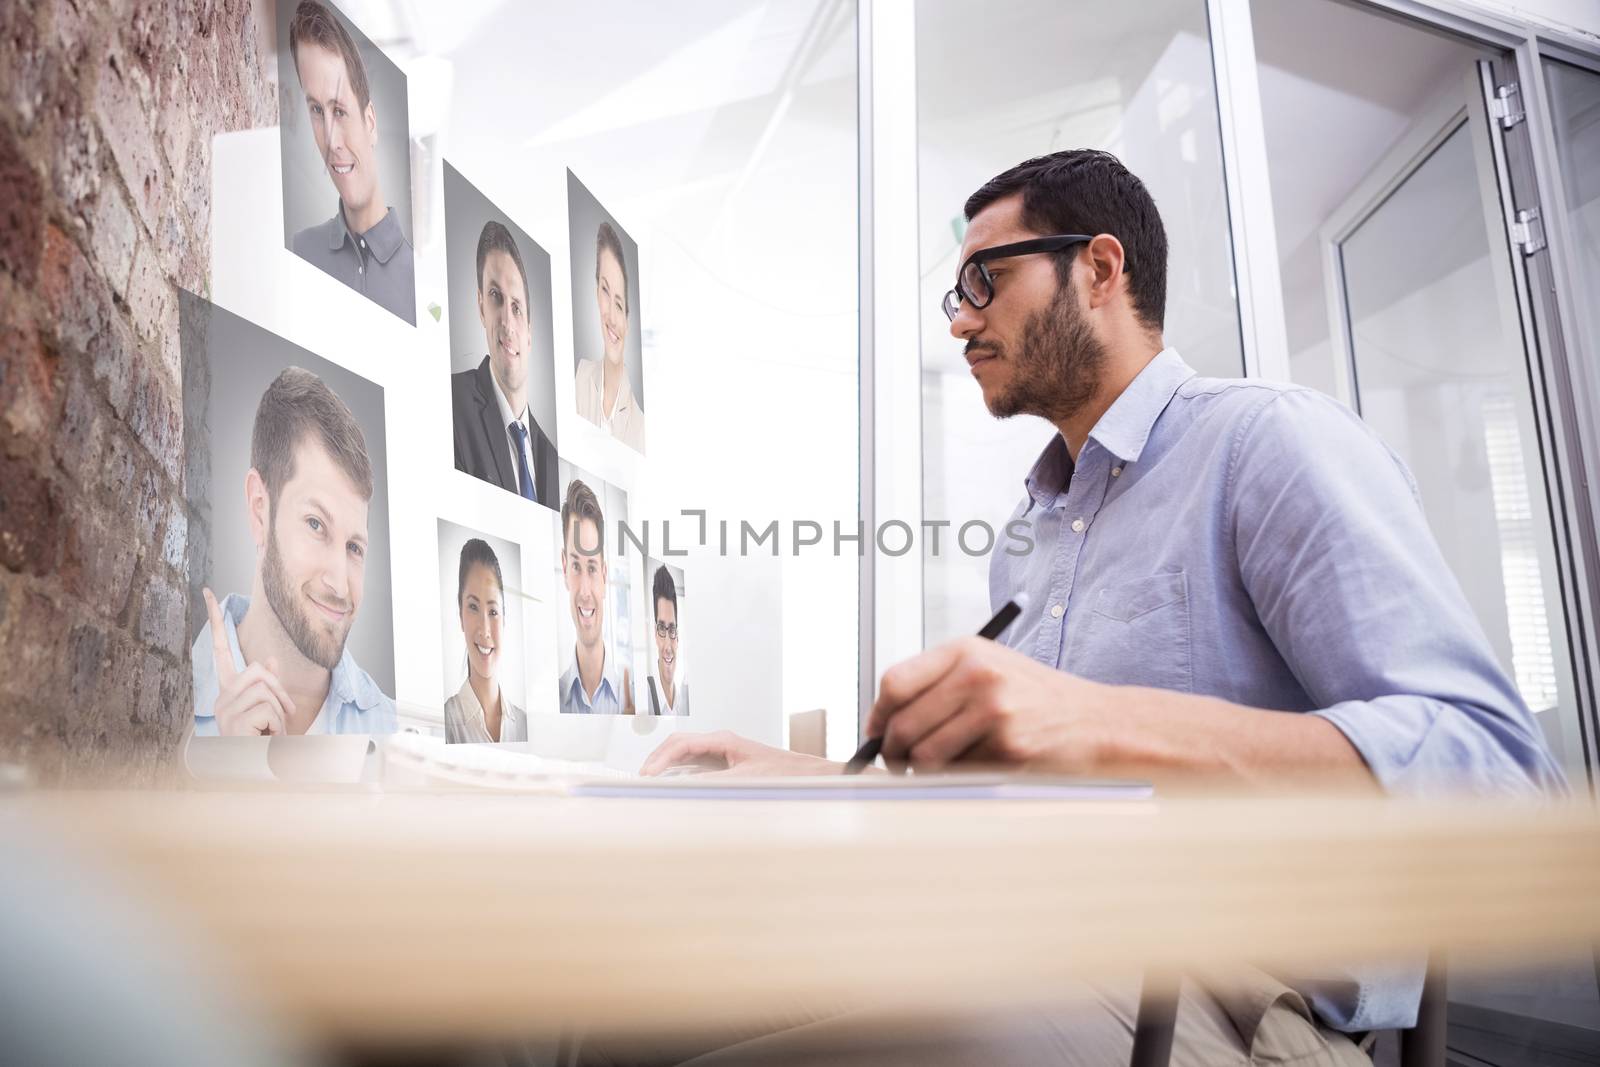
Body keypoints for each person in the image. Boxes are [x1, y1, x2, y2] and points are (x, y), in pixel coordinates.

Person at [635, 149, 1565, 1064]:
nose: (961, 323)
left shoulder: (1266, 446)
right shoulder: (1028, 535)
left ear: (1100, 268)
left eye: (983, 280)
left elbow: (1507, 785)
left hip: (1234, 1003)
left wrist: (1104, 724)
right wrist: (799, 779)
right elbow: (1011, 804)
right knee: (636, 1002)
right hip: (1031, 945)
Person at [193, 367, 397, 735]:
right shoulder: (163, 698)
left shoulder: (391, 729)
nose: (339, 584)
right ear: (259, 508)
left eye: (354, 547)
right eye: (316, 525)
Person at [286, 0, 415, 325]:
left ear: (370, 121)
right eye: (316, 110)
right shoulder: (300, 251)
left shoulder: (418, 279)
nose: (331, 141)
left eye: (339, 111)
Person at [451, 220, 558, 505]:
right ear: (481, 307)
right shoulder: (452, 404)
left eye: (517, 307)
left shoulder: (552, 459)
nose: (508, 323)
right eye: (495, 297)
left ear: (530, 330)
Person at [558, 478, 634, 714]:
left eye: (591, 568)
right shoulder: (553, 698)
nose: (584, 591)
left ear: (604, 575)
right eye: (576, 567)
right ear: (564, 568)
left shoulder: (632, 695)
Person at [443, 538, 527, 743]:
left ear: (504, 619)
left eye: (493, 611)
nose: (485, 629)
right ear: (460, 615)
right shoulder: (446, 721)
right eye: (473, 607)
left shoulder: (524, 724)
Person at [574, 221, 646, 452]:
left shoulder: (640, 428)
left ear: (628, 319)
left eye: (619, 303)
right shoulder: (580, 378)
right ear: (596, 292)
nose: (612, 318)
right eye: (605, 290)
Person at [645, 564, 689, 716]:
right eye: (662, 629)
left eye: (672, 629)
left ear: (678, 637)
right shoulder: (646, 699)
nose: (669, 647)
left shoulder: (684, 702)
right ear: (655, 634)